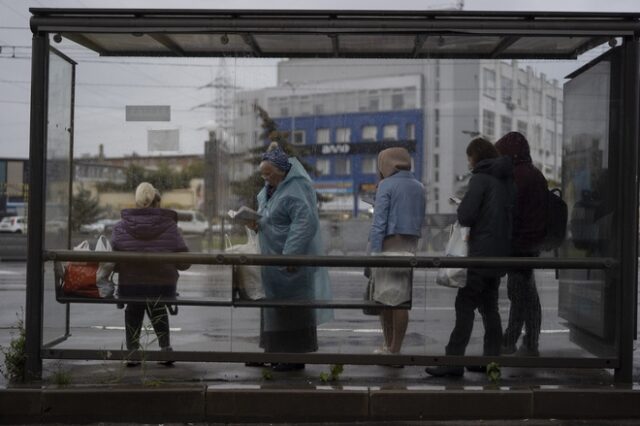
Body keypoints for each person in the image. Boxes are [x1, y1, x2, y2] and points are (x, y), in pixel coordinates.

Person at [426, 138, 515, 377]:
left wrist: (462, 204)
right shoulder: (505, 180)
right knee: (490, 307)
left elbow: (466, 216)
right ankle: (491, 360)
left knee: (464, 305)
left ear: (476, 156)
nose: (468, 162)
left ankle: (453, 361)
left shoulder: (481, 178)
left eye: (468, 157)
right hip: (499, 254)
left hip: (479, 254)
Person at [255, 142, 333, 372]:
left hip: (290, 263)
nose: (265, 178)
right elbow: (268, 216)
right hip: (272, 260)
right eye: (263, 174)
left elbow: (304, 223)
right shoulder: (270, 189)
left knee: (293, 310)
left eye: (268, 174)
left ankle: (294, 357)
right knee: (276, 310)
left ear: (281, 171)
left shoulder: (296, 188)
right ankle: (276, 352)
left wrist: (290, 255)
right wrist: (254, 221)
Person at [111, 182, 190, 366]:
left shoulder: (120, 226)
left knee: (133, 310)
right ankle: (165, 349)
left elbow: (113, 262)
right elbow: (184, 261)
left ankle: (132, 352)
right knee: (158, 307)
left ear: (136, 202)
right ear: (157, 202)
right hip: (162, 286)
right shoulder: (170, 226)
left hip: (130, 286)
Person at [368, 147, 425, 356]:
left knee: (386, 299)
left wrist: (373, 252)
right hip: (409, 245)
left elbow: (379, 221)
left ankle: (390, 347)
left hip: (388, 245)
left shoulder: (386, 185)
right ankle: (395, 347)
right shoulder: (419, 186)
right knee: (401, 299)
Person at [495, 131, 547, 357]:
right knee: (526, 293)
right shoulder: (536, 174)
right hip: (532, 243)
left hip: (518, 244)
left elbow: (509, 212)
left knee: (519, 295)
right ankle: (527, 340)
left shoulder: (516, 176)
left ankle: (514, 341)